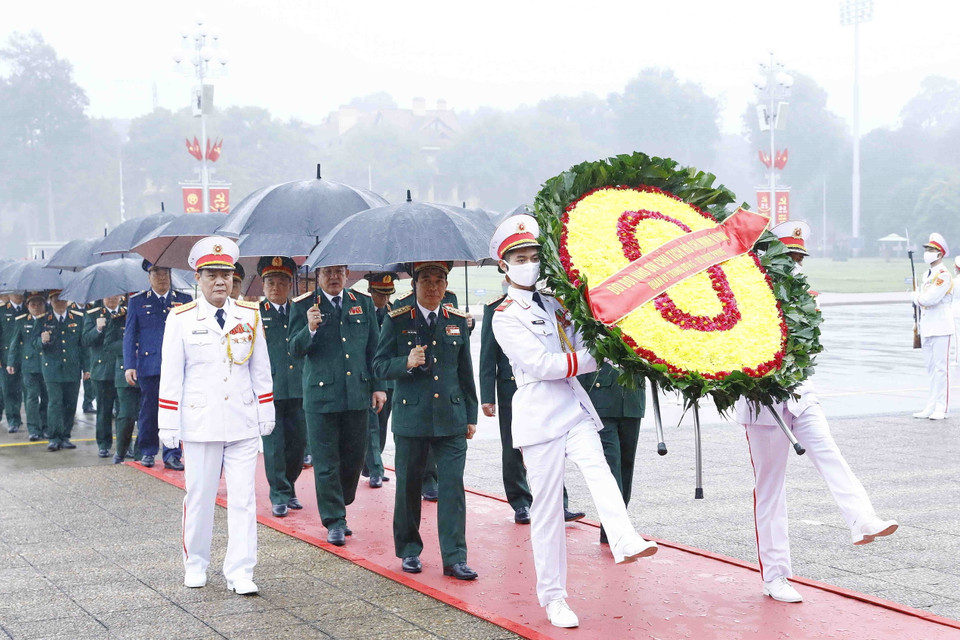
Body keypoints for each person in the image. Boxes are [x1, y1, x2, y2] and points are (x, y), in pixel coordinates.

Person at [490, 215, 658, 628]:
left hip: (573, 406)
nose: (529, 263)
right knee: (546, 511)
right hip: (538, 414)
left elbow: (583, 340)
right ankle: (554, 598)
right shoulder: (504, 315)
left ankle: (623, 536)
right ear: (504, 266)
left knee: (599, 468)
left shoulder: (556, 303)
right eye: (520, 257)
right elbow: (541, 364)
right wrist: (592, 357)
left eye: (534, 256)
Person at [734, 220, 898, 604]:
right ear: (769, 257)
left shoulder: (808, 296)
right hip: (763, 406)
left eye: (798, 258)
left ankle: (862, 519)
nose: (794, 265)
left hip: (801, 394)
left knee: (830, 454)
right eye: (787, 257)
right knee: (771, 489)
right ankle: (775, 575)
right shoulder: (746, 297)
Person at [159, 236, 274, 594]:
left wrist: (265, 407)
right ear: (198, 277)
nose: (220, 281)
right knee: (200, 495)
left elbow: (260, 369)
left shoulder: (250, 315)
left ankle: (240, 571)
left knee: (243, 499)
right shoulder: (180, 319)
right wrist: (168, 421)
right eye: (212, 274)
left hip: (240, 419)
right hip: (200, 421)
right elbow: (171, 374)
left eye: (226, 274)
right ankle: (196, 563)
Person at [373, 261, 479, 580]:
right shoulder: (398, 320)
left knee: (452, 488)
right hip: (411, 417)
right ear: (415, 285)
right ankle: (408, 550)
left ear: (446, 285)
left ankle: (455, 557)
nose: (433, 286)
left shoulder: (456, 321)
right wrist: (404, 362)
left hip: (451, 416)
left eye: (439, 280)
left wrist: (471, 415)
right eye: (426, 280)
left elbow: (465, 372)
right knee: (407, 486)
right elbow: (378, 366)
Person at [289, 265, 386, 546]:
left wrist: (378, 386)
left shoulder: (363, 303)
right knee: (326, 461)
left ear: (347, 274)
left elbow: (374, 348)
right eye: (327, 272)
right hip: (321, 397)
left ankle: (341, 502)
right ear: (318, 275)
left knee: (355, 456)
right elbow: (294, 349)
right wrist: (310, 328)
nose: (333, 277)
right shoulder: (306, 305)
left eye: (338, 272)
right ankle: (334, 519)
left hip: (356, 393)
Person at [124, 260, 192, 469]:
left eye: (165, 272)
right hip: (150, 364)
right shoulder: (137, 302)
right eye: (156, 273)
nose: (162, 277)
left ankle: (173, 454)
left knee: (175, 410)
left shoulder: (184, 300)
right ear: (149, 276)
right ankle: (148, 451)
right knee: (149, 410)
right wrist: (129, 365)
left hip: (178, 365)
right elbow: (130, 335)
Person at [256, 256, 307, 517]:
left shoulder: (301, 312)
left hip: (299, 388)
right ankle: (278, 494)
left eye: (282, 282)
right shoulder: (255, 315)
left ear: (290, 285)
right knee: (274, 446)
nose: (276, 287)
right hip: (270, 390)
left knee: (297, 444)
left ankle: (290, 487)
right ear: (263, 286)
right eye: (270, 282)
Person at [579, 362, 645, 544]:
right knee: (611, 466)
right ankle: (615, 529)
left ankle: (615, 528)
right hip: (601, 399)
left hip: (632, 398)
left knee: (626, 466)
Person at [38, 291, 88, 451]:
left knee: (70, 404)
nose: (59, 302)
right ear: (50, 301)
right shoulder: (43, 319)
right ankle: (54, 437)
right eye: (55, 299)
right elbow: (32, 342)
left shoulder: (77, 318)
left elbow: (83, 346)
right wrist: (41, 341)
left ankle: (65, 436)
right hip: (52, 369)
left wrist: (87, 368)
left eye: (62, 299)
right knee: (54, 403)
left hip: (72, 368)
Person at [361, 271, 397, 488]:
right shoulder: (363, 312)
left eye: (387, 294)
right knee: (371, 424)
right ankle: (376, 469)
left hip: (390, 377)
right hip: (369, 377)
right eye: (379, 294)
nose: (383, 299)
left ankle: (371, 463)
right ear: (370, 291)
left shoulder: (393, 313)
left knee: (382, 425)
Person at [912, 232, 953, 420]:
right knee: (930, 369)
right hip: (927, 326)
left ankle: (941, 407)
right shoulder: (926, 274)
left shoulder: (943, 275)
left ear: (940, 254)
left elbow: (931, 298)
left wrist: (916, 298)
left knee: (941, 369)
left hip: (941, 326)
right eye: (927, 249)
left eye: (931, 250)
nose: (927, 252)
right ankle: (930, 405)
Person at [82, 295, 124, 457]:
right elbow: (85, 340)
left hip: (121, 368)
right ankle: (104, 444)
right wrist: (97, 329)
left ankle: (125, 445)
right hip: (102, 370)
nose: (111, 299)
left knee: (124, 412)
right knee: (104, 411)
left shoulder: (126, 313)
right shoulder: (93, 314)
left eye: (115, 296)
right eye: (108, 296)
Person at [6, 292, 48, 441]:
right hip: (29, 365)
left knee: (47, 397)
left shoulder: (50, 320)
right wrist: (11, 362)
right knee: (31, 398)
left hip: (47, 365)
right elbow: (14, 343)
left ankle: (45, 426)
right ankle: (33, 429)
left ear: (45, 305)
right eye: (33, 304)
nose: (36, 307)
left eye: (39, 304)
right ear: (27, 305)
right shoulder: (22, 321)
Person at [1, 292, 25, 433]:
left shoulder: (28, 309)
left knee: (27, 390)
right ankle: (13, 420)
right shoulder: (2, 311)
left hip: (26, 356)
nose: (17, 294)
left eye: (20, 291)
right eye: (14, 291)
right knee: (9, 389)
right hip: (6, 356)